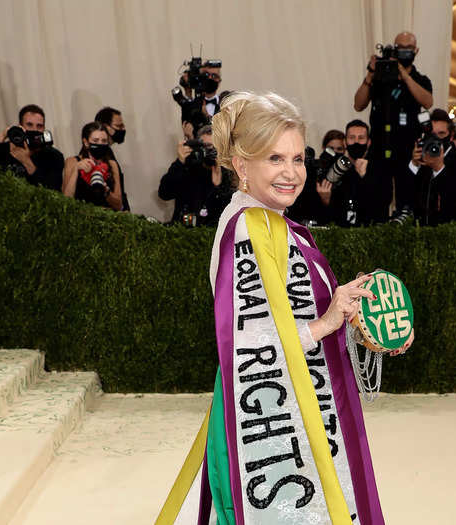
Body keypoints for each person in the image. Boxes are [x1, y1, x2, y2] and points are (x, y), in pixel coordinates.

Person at [156, 91, 413, 525]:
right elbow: (249, 342)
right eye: (275, 159)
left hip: (280, 416)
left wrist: (342, 310)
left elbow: (283, 317)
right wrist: (328, 321)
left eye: (298, 159)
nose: (291, 173)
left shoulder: (267, 220)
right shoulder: (250, 228)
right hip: (272, 429)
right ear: (241, 165)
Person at [354, 31, 433, 213]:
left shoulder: (420, 80)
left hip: (407, 150)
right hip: (379, 149)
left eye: (409, 48)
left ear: (416, 50)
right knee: (376, 200)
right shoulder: (381, 77)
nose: (405, 51)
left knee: (407, 201)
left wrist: (404, 76)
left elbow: (427, 101)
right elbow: (358, 104)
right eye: (400, 47)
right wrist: (370, 75)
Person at [158, 124, 233, 227]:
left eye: (213, 147)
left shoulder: (229, 174)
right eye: (205, 147)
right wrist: (179, 162)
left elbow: (229, 213)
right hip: (184, 233)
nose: (209, 152)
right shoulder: (188, 168)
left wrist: (217, 186)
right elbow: (164, 193)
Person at [0, 104, 64, 191]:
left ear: (44, 129)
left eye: (39, 126)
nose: (34, 130)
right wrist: (3, 136)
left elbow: (52, 192)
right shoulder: (5, 149)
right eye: (29, 125)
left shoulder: (54, 156)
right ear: (20, 127)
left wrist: (26, 161)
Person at [330, 120, 391, 225]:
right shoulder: (336, 168)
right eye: (352, 138)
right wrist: (326, 199)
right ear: (345, 142)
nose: (356, 142)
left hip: (371, 231)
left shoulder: (381, 169)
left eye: (361, 138)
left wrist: (365, 177)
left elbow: (383, 202)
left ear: (369, 142)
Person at [409, 125, 456, 225]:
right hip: (419, 230)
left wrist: (439, 167)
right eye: (433, 135)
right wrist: (414, 164)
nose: (437, 139)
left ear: (451, 135)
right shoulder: (422, 159)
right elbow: (406, 194)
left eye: (441, 134)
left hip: (447, 231)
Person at [62, 122, 123, 210]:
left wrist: (106, 191)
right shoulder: (72, 161)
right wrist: (76, 170)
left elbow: (118, 205)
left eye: (104, 141)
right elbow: (65, 201)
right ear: (86, 142)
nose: (100, 144)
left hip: (107, 218)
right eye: (95, 141)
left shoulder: (112, 165)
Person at [95, 106, 131, 211]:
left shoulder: (109, 152)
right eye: (119, 126)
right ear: (106, 127)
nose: (123, 129)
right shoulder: (99, 155)